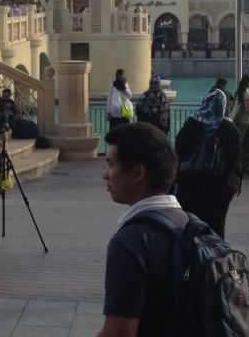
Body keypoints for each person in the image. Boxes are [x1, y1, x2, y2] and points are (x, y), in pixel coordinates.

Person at [98, 122, 183, 336]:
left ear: (137, 173)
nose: (105, 175)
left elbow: (118, 334)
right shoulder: (189, 223)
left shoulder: (129, 243)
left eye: (111, 165)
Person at [175, 89, 242, 238]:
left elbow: (180, 147)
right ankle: (215, 248)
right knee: (217, 222)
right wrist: (237, 182)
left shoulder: (193, 122)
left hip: (192, 182)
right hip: (221, 185)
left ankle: (193, 248)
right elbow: (236, 157)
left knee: (191, 220)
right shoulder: (230, 127)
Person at [231, 74, 249, 177]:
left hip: (239, 122)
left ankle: (237, 167)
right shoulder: (247, 93)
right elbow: (248, 109)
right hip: (248, 123)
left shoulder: (238, 92)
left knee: (240, 146)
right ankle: (246, 167)